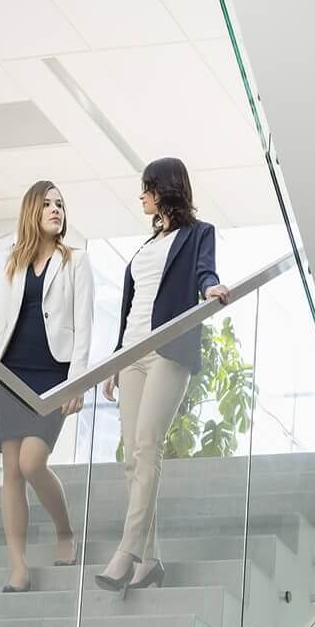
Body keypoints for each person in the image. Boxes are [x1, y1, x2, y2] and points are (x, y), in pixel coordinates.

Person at [96, 157, 228, 594]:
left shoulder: (198, 234)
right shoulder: (146, 245)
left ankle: (127, 551)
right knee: (132, 456)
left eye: (147, 188)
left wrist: (210, 287)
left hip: (168, 349)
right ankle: (150, 561)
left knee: (147, 446)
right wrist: (116, 359)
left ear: (165, 189)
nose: (141, 196)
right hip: (131, 353)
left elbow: (203, 270)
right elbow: (132, 304)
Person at [0, 181, 92, 593]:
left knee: (32, 462)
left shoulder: (76, 262)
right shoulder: (11, 263)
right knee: (10, 470)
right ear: (32, 211)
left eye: (60, 204)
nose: (56, 209)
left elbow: (84, 325)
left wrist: (77, 382)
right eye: (47, 204)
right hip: (10, 372)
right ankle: (18, 568)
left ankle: (64, 529)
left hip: (53, 376)